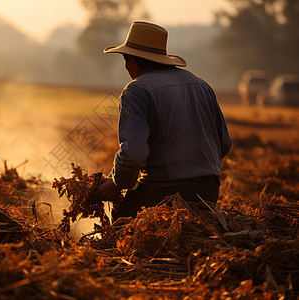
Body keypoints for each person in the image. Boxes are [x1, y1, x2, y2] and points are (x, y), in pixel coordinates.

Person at [96, 21, 232, 220]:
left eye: (126, 61)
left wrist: (116, 183)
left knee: (120, 219)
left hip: (165, 192)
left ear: (131, 61)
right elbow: (224, 144)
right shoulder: (202, 85)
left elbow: (133, 155)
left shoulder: (136, 90)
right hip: (209, 192)